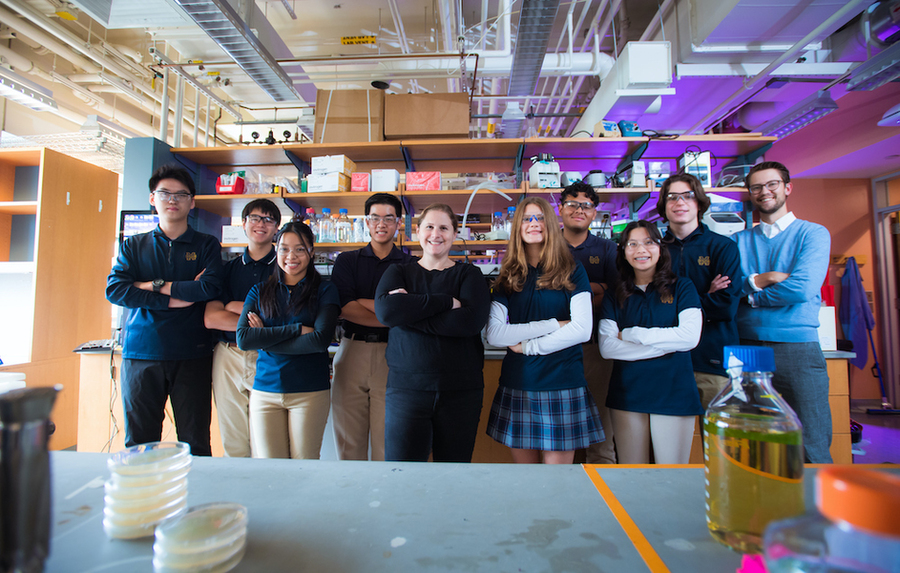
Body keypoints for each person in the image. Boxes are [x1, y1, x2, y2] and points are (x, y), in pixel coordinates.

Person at [106, 164, 223, 456]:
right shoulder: (134, 245)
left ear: (192, 202)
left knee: (195, 441)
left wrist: (145, 286)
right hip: (142, 353)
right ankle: (144, 501)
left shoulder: (206, 244)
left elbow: (208, 288)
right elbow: (116, 290)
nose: (172, 200)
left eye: (181, 195)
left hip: (191, 353)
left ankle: (196, 500)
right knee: (140, 443)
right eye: (165, 193)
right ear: (152, 198)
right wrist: (173, 295)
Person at [485, 197, 604, 464]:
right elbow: (495, 334)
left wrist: (529, 346)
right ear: (517, 227)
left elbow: (583, 329)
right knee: (527, 482)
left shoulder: (573, 269)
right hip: (520, 383)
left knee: (557, 484)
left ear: (551, 224)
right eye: (527, 219)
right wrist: (554, 324)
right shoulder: (506, 276)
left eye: (540, 218)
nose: (534, 224)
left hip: (563, 382)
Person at [374, 203, 491, 463]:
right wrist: (447, 303)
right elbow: (386, 313)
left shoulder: (469, 274)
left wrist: (410, 313)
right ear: (417, 232)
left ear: (455, 233)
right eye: (429, 226)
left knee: (453, 473)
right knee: (402, 473)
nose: (435, 234)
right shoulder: (399, 271)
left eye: (443, 228)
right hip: (406, 390)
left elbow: (470, 323)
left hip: (460, 392)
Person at [732, 161, 832, 463]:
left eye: (772, 184)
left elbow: (801, 288)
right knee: (755, 441)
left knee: (810, 440)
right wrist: (764, 278)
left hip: (797, 347)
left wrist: (751, 298)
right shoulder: (738, 241)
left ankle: (815, 509)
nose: (765, 192)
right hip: (747, 347)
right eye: (757, 187)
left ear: (787, 188)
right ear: (750, 194)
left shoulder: (813, 234)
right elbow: (729, 289)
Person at [598, 220, 702, 464]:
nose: (640, 250)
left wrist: (633, 334)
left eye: (648, 242)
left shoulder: (682, 288)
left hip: (674, 392)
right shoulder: (616, 293)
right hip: (628, 393)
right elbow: (607, 347)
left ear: (660, 248)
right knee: (632, 475)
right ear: (623, 252)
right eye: (632, 244)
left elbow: (689, 337)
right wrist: (667, 345)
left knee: (671, 475)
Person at [236, 222, 340, 459]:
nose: (291, 256)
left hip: (309, 392)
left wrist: (264, 339)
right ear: (276, 250)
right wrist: (296, 329)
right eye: (284, 249)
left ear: (311, 251)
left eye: (299, 249)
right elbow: (244, 339)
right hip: (265, 391)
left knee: (305, 466)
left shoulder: (325, 291)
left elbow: (318, 341)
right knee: (270, 468)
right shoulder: (259, 291)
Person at [331, 193, 414, 460]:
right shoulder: (347, 261)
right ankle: (352, 502)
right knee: (348, 444)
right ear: (366, 222)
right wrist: (390, 311)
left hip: (394, 356)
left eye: (388, 218)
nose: (381, 224)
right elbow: (344, 307)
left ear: (398, 222)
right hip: (350, 352)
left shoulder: (411, 266)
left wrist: (363, 303)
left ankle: (384, 502)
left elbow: (409, 311)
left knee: (387, 444)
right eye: (375, 218)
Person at [657, 173, 742, 409]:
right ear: (664, 205)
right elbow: (650, 307)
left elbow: (725, 306)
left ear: (700, 202)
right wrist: (707, 296)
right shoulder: (656, 252)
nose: (680, 202)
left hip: (712, 361)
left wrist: (673, 306)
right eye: (672, 197)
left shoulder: (723, 247)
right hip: (667, 361)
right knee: (668, 443)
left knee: (721, 441)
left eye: (688, 196)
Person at [203, 199, 281, 457]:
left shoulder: (285, 269)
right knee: (234, 439)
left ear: (276, 228)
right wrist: (255, 314)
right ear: (244, 223)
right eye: (255, 218)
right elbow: (212, 318)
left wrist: (233, 305)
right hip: (228, 355)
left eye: (268, 220)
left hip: (269, 355)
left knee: (268, 441)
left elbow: (284, 316)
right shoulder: (226, 269)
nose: (261, 224)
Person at [559, 181, 619, 464]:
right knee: (560, 426)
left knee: (601, 425)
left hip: (595, 347)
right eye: (572, 203)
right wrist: (592, 289)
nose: (579, 209)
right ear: (560, 210)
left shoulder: (607, 249)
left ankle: (603, 488)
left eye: (586, 205)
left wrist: (571, 296)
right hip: (555, 346)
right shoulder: (548, 246)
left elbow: (614, 294)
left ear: (595, 213)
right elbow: (544, 295)